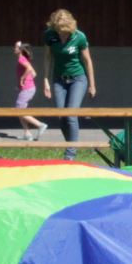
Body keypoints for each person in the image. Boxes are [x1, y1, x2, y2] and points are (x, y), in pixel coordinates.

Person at [42, 9, 95, 160]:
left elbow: (87, 61)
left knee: (71, 115)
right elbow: (47, 57)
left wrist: (92, 84)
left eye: (65, 33)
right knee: (61, 115)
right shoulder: (49, 36)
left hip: (78, 79)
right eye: (60, 32)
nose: (63, 35)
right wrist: (45, 79)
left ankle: (70, 154)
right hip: (59, 79)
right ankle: (71, 144)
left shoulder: (79, 37)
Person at [12, 41, 44, 140]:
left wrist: (22, 79)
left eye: (15, 47)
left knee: (19, 110)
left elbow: (29, 69)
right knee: (20, 110)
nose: (14, 49)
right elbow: (34, 74)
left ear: (20, 50)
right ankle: (27, 134)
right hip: (28, 88)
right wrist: (24, 82)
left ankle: (40, 125)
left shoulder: (21, 59)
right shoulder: (24, 59)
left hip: (28, 89)